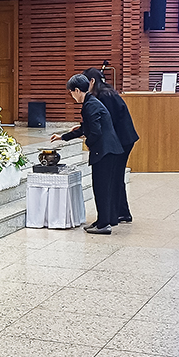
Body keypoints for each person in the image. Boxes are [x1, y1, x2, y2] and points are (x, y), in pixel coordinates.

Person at [53, 73, 123, 234]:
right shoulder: (91, 102)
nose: (72, 96)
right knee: (102, 187)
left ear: (77, 90)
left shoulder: (90, 105)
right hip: (108, 150)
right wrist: (63, 137)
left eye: (71, 92)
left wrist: (89, 144)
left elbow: (95, 132)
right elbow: (85, 128)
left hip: (105, 152)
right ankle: (103, 220)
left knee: (101, 188)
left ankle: (104, 224)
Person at [82, 67, 138, 223]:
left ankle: (115, 214)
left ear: (92, 81)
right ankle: (121, 212)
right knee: (116, 177)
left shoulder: (103, 96)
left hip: (121, 140)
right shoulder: (106, 92)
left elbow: (105, 121)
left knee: (113, 177)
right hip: (123, 139)